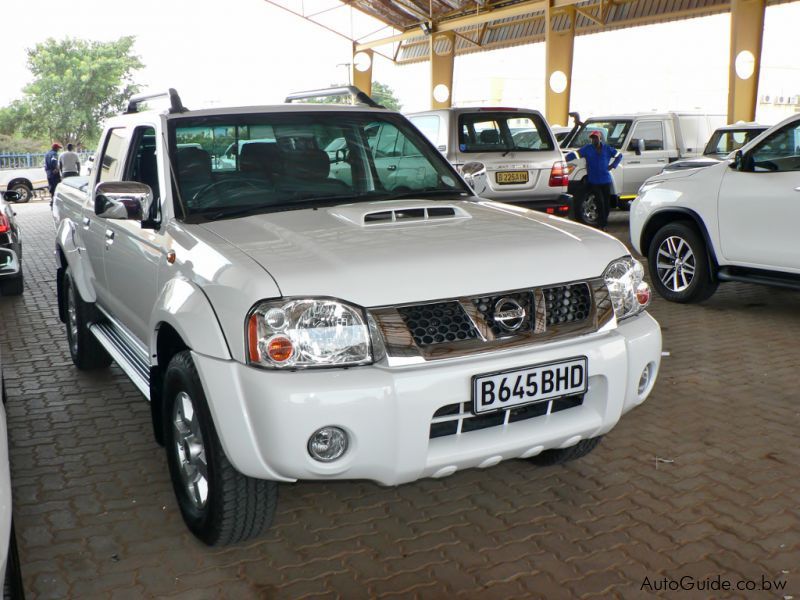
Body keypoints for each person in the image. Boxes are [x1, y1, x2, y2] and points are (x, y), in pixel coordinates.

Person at [565, 130, 622, 230]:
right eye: (592, 138)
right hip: (594, 181)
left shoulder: (607, 149)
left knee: (606, 203)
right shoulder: (587, 149)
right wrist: (563, 158)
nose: (593, 140)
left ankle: (604, 222)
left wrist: (613, 165)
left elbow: (619, 156)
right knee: (599, 202)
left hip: (606, 181)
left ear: (600, 138)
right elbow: (575, 154)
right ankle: (602, 225)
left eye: (595, 138)